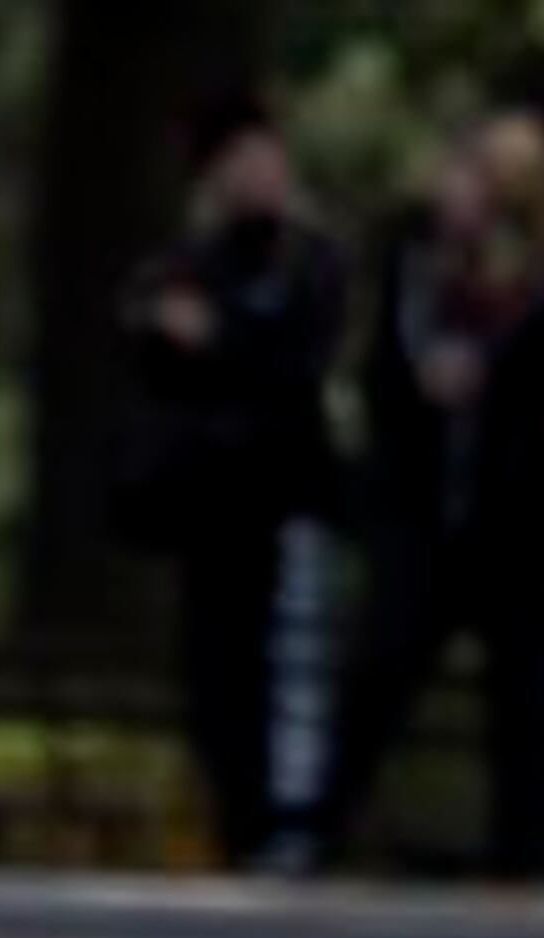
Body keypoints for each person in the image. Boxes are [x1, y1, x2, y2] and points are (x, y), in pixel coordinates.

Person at [316, 119, 544, 883]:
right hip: (425, 510)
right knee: (379, 668)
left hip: (520, 516)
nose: (449, 192)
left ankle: (531, 854)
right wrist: (417, 390)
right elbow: (377, 376)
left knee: (531, 695)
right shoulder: (415, 268)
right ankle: (315, 829)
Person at [114, 88, 349, 872]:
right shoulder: (189, 262)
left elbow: (297, 361)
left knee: (288, 666)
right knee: (213, 666)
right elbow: (153, 357)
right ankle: (238, 815)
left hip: (285, 494)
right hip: (211, 501)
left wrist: (221, 338)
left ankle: (292, 825)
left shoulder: (309, 260)